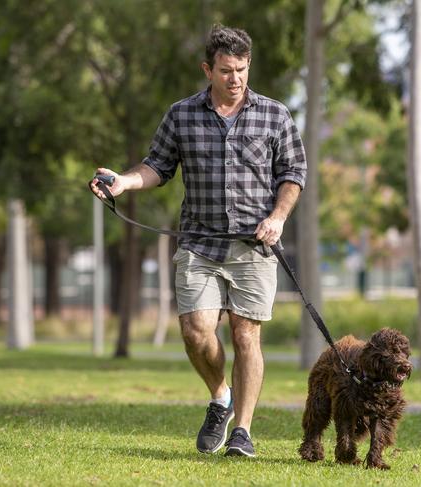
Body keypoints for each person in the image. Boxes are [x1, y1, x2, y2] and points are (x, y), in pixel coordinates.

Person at [89, 25, 306, 458]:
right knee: (195, 331)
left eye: (242, 70)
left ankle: (242, 431)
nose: (235, 79)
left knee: (247, 336)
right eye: (226, 70)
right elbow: (157, 166)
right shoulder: (181, 115)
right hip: (199, 243)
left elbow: (293, 174)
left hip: (254, 246)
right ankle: (220, 396)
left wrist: (278, 217)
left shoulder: (274, 114)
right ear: (208, 69)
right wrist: (125, 183)